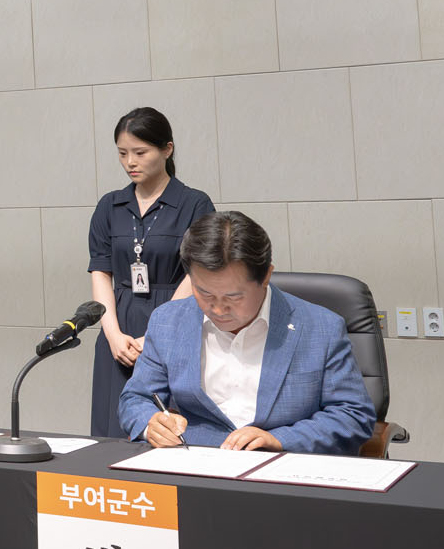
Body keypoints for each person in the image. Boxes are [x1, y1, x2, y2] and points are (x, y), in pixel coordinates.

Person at [121, 210, 373, 455]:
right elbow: (136, 399)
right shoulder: (168, 321)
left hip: (281, 467)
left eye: (234, 297)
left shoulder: (321, 328)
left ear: (266, 276)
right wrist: (151, 424)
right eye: (204, 293)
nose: (218, 309)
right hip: (193, 462)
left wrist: (280, 439)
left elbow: (353, 416)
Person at [86, 107, 216, 438]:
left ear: (167, 149)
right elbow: (100, 271)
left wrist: (158, 333)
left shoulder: (195, 204)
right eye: (122, 153)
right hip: (119, 326)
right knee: (112, 429)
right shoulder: (109, 206)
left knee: (168, 428)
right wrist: (113, 335)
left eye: (140, 152)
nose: (130, 162)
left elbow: (197, 273)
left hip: (175, 321)